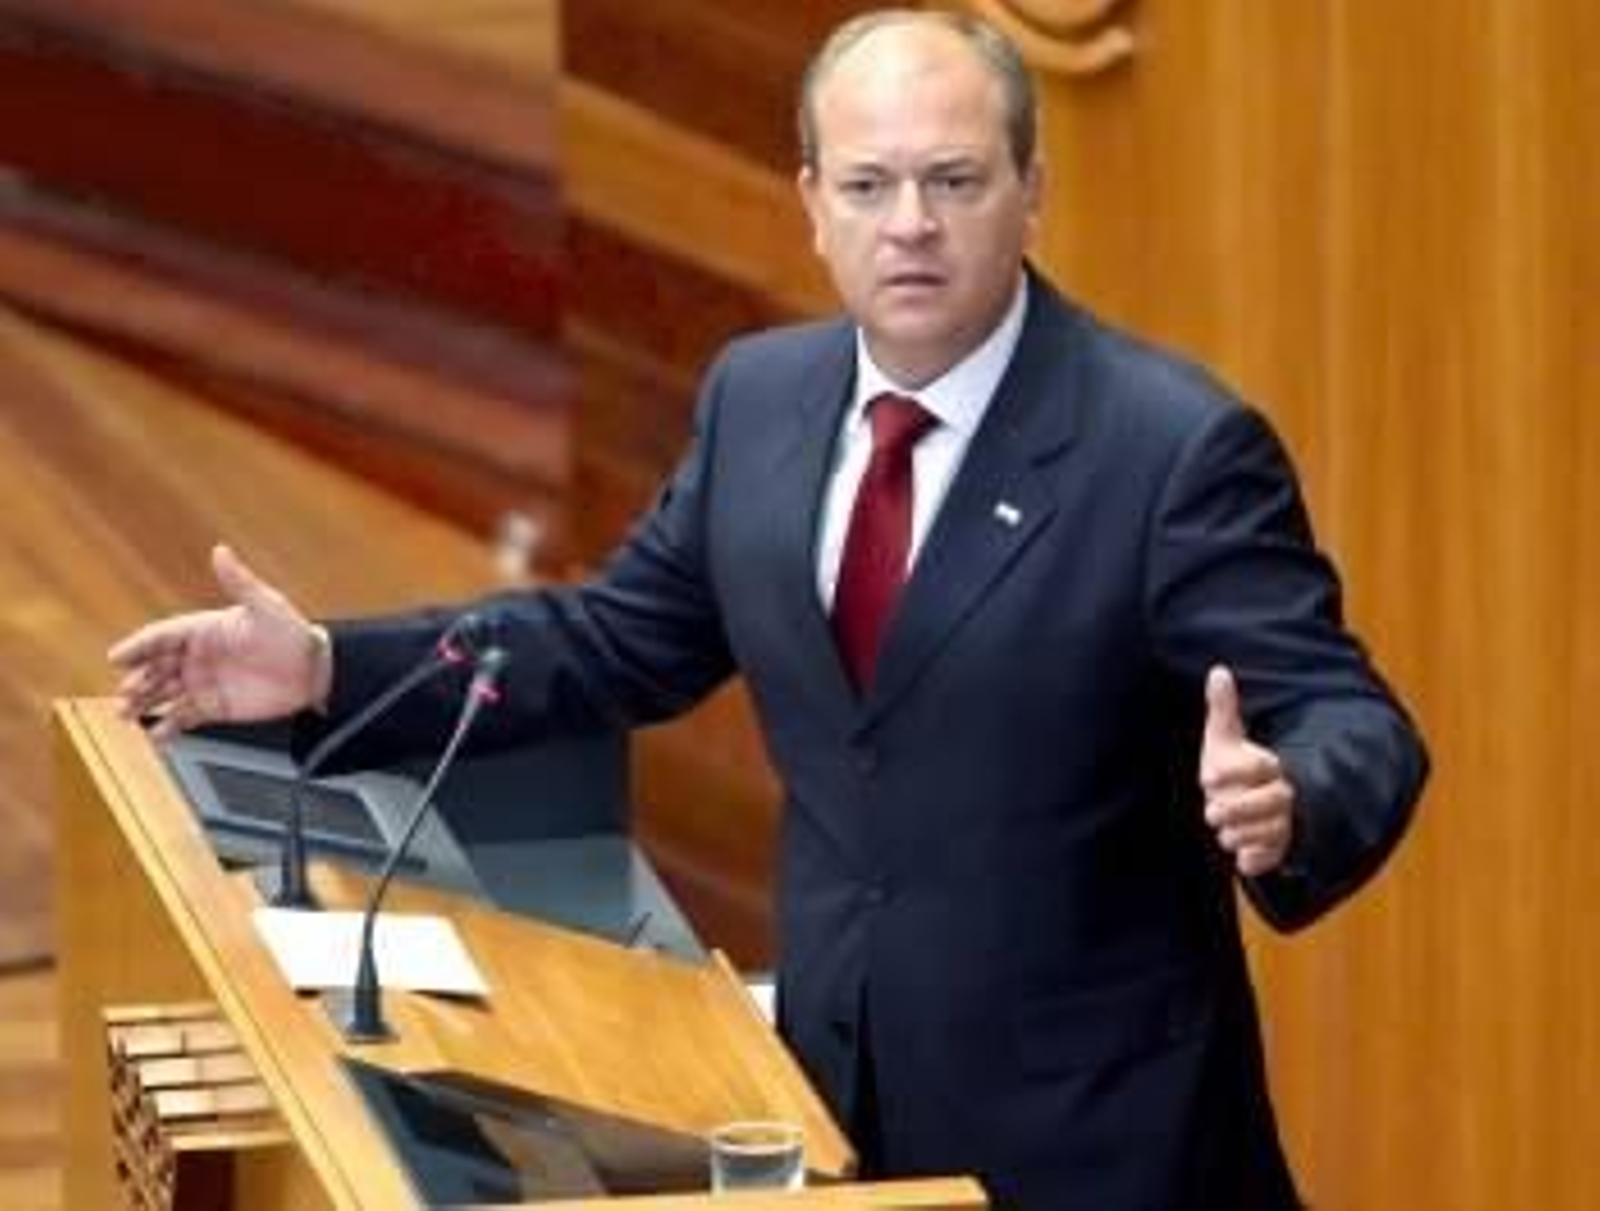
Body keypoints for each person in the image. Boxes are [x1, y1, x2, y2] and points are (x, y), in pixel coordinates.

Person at [110, 9, 1427, 1208]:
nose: (910, 224)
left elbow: (1353, 720)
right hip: (839, 1121)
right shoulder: (762, 400)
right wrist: (328, 667)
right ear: (812, 204)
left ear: (1032, 191)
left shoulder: (1168, 449)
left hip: (1108, 1155)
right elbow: (615, 639)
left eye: (955, 180)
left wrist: (1292, 801)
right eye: (868, 185)